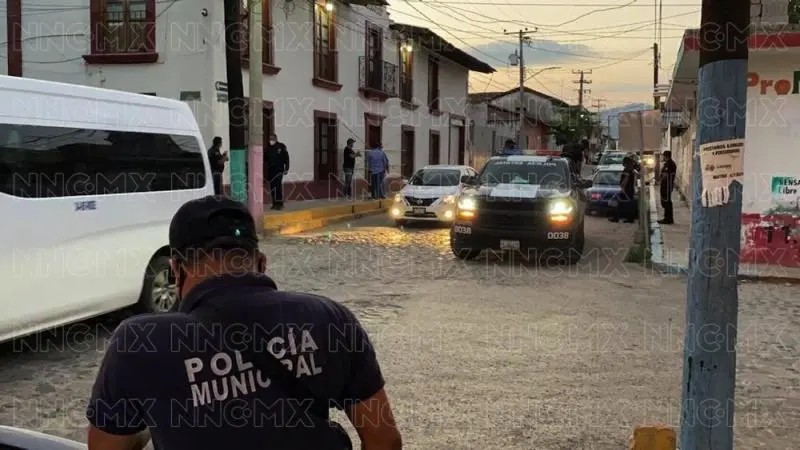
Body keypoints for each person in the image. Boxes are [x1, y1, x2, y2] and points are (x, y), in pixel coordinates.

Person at [85, 196, 403, 450]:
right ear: (261, 263)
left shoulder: (138, 342)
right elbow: (384, 440)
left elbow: (106, 447)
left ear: (176, 270)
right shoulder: (330, 318)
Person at [265, 133, 290, 210]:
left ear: (276, 139)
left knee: (278, 186)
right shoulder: (268, 148)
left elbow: (286, 158)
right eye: (270, 139)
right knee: (272, 187)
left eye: (272, 139)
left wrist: (286, 168)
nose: (271, 140)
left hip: (279, 170)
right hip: (271, 171)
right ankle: (274, 203)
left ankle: (279, 204)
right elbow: (265, 158)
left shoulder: (281, 146)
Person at [609, 156, 636, 223]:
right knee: (628, 204)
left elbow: (625, 179)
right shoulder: (631, 170)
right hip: (630, 190)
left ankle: (616, 218)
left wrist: (622, 187)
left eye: (623, 162)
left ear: (626, 163)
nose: (622, 163)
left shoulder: (627, 170)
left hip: (626, 190)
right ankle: (629, 218)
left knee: (616, 201)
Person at [658, 150, 677, 225]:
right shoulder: (668, 164)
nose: (663, 157)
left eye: (663, 156)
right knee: (666, 202)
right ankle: (667, 218)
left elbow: (665, 175)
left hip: (667, 185)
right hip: (666, 185)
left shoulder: (669, 164)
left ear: (666, 156)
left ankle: (668, 219)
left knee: (667, 202)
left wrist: (660, 179)